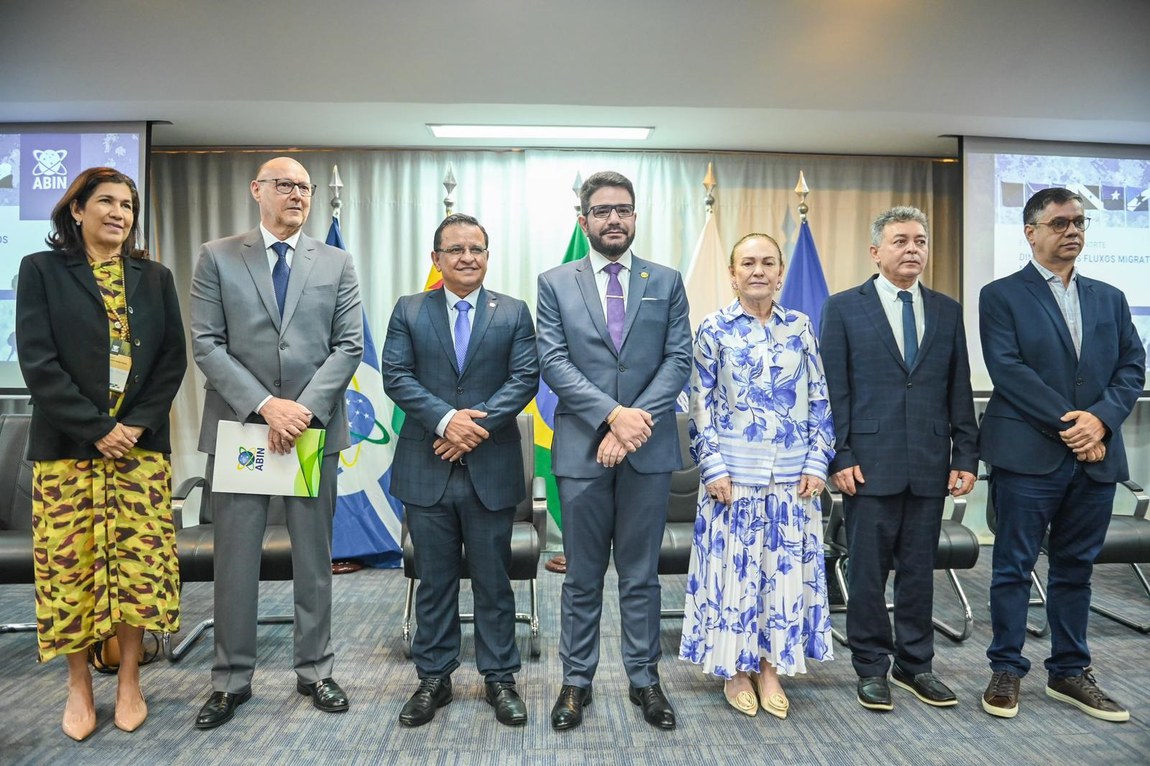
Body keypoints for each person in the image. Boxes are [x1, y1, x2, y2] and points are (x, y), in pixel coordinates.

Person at [189, 157, 363, 729]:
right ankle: (231, 679)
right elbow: (207, 343)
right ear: (256, 190)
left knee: (314, 560)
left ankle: (316, 669)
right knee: (235, 561)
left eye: (304, 187)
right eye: (284, 185)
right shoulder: (218, 256)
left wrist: (300, 411)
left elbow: (349, 345)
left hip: (310, 433)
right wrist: (267, 406)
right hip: (243, 428)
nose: (297, 194)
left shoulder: (335, 261)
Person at [16, 167, 186, 740]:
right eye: (107, 202)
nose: (119, 213)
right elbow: (38, 362)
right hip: (69, 450)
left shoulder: (154, 277)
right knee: (71, 569)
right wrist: (97, 429)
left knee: (138, 566)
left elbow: (172, 360)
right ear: (77, 209)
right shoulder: (41, 270)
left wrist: (132, 426)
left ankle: (130, 678)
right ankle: (78, 685)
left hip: (139, 451)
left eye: (128, 205)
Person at [978, 188, 1145, 722]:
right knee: (1013, 566)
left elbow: (1132, 367)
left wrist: (1102, 419)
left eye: (1079, 222)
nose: (1072, 231)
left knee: (1076, 569)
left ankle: (1070, 671)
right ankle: (1006, 668)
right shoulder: (1001, 295)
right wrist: (1075, 424)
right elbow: (1008, 369)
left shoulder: (1109, 297)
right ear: (1031, 232)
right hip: (1028, 454)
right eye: (1059, 223)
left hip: (1095, 455)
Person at [536, 170, 691, 731]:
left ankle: (644, 679)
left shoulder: (666, 281)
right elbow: (553, 361)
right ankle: (576, 681)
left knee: (640, 575)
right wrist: (612, 416)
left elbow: (678, 359)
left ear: (635, 216)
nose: (614, 219)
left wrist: (632, 424)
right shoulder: (555, 282)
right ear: (584, 220)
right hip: (582, 451)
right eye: (602, 211)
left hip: (647, 451)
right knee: (581, 575)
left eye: (623, 209)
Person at [382, 213, 539, 728]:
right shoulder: (409, 309)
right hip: (426, 468)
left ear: (488, 256)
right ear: (436, 258)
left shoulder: (513, 312)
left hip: (490, 469)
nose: (467, 257)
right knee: (434, 581)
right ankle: (434, 678)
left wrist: (472, 426)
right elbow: (396, 376)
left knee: (494, 580)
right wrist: (447, 421)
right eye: (456, 249)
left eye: (477, 249)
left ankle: (500, 678)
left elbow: (525, 378)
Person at [820, 206, 978, 713]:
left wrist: (966, 453)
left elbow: (958, 387)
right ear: (875, 251)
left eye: (920, 241)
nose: (913, 249)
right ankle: (871, 667)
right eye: (901, 241)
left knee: (918, 570)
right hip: (867, 464)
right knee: (868, 572)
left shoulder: (947, 310)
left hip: (930, 462)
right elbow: (834, 391)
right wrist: (839, 454)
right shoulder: (843, 308)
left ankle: (915, 665)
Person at [679, 233, 835, 718]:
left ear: (781, 272)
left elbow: (820, 397)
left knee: (779, 579)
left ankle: (769, 668)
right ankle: (735, 670)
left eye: (768, 262)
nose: (758, 271)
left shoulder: (801, 327)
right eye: (748, 263)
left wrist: (817, 460)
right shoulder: (713, 328)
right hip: (732, 478)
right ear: (732, 274)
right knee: (735, 577)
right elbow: (699, 404)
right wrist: (712, 467)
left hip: (792, 478)